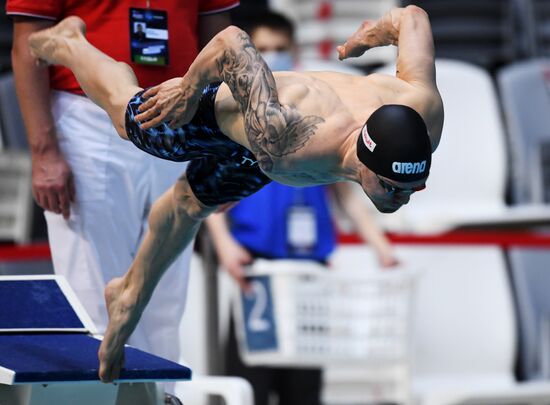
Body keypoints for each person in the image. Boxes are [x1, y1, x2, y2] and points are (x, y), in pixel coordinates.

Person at [27, 4, 443, 383]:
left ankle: (129, 291)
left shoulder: (424, 114)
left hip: (274, 148)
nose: (400, 200)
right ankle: (71, 44)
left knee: (190, 203)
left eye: (411, 189)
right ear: (365, 159)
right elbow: (231, 42)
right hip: (243, 117)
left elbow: (413, 18)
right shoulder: (287, 138)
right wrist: (189, 89)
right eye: (391, 188)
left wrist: (367, 36)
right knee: (128, 117)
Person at [8, 0, 237, 400]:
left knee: (166, 294)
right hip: (85, 117)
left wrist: (220, 147)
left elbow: (220, 43)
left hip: (179, 114)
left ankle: (159, 397)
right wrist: (44, 150)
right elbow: (26, 45)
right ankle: (95, 399)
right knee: (91, 289)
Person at [206, 12, 398, 404]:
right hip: (256, 271)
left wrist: (379, 244)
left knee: (305, 392)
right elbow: (202, 187)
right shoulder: (234, 114)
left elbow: (345, 189)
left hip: (309, 273)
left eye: (280, 49)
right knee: (250, 387)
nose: (272, 57)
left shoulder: (320, 111)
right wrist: (224, 246)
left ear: (294, 51)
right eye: (262, 50)